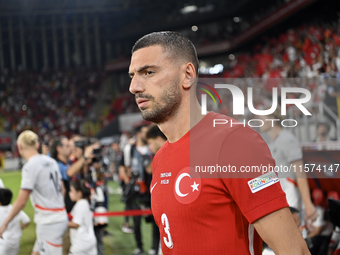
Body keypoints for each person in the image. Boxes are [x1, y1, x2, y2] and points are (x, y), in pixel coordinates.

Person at [128, 31, 310, 254]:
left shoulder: (234, 142)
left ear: (187, 75)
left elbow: (293, 250)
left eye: (148, 72)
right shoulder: (160, 159)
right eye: (132, 76)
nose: (134, 87)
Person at [0, 130, 68, 255]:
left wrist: (5, 224)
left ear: (20, 146)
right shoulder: (51, 161)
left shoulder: (30, 166)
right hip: (59, 216)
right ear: (37, 145)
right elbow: (62, 189)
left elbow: (21, 201)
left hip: (49, 222)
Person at [260, 107, 318, 235]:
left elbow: (300, 173)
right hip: (281, 199)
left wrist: (308, 205)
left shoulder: (287, 139)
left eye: (262, 118)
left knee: (295, 242)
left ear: (272, 119)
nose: (259, 121)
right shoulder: (274, 142)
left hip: (291, 200)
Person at [68, 179, 97, 255]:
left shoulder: (80, 205)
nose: (69, 193)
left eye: (71, 191)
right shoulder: (85, 203)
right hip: (89, 241)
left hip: (80, 243)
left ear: (79, 193)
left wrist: (61, 223)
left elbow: (76, 224)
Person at [0, 188, 30, 255]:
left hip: (2, 242)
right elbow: (27, 221)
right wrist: (20, 228)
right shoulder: (14, 209)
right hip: (15, 241)